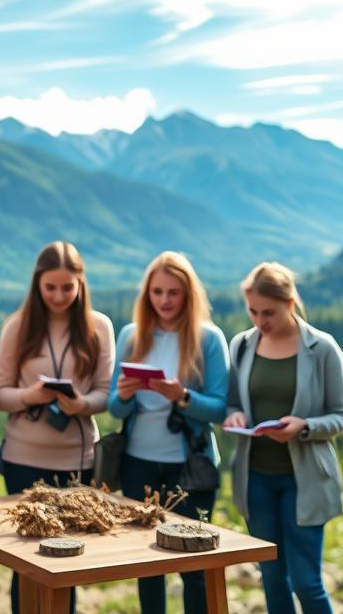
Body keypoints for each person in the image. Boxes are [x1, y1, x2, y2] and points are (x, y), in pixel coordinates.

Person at [222, 262, 343, 614]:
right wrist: (235, 415)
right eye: (253, 311)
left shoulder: (322, 348)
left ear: (290, 303)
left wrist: (304, 426)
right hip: (255, 480)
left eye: (269, 312)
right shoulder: (242, 345)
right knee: (271, 577)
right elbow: (233, 402)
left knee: (306, 582)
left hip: (304, 480)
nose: (259, 321)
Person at [0, 240, 115, 613]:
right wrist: (30, 395)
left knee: (68, 557)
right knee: (25, 559)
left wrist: (82, 404)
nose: (59, 296)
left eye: (67, 287)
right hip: (23, 458)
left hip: (77, 459)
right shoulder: (18, 326)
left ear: (81, 283)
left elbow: (105, 393)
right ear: (37, 284)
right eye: (50, 287)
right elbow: (0, 394)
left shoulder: (99, 326)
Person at [108, 251, 229, 614]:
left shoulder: (208, 339)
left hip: (189, 466)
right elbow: (115, 407)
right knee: (147, 563)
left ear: (189, 294)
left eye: (173, 292)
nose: (164, 300)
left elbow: (220, 408)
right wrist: (125, 395)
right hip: (138, 462)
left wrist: (183, 397)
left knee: (194, 563)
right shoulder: (132, 335)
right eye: (157, 292)